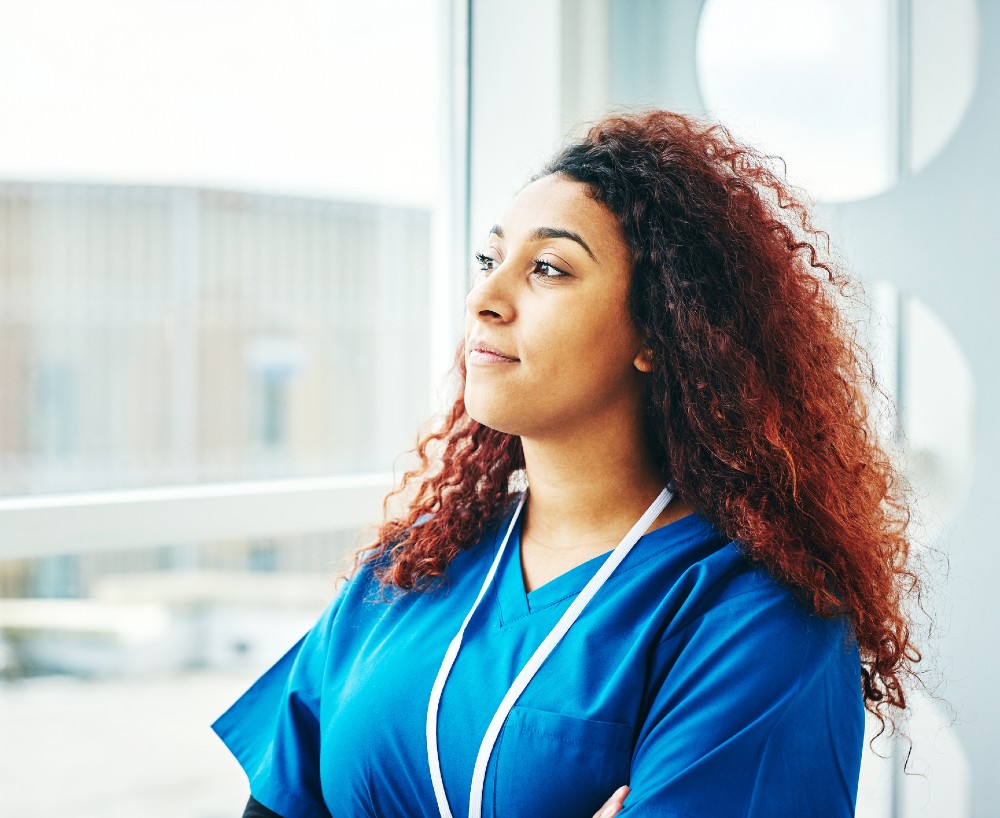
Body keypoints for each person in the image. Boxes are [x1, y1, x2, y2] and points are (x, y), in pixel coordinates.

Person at [212, 109, 920, 818]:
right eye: (490, 261)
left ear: (661, 329)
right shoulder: (413, 567)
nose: (483, 299)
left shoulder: (757, 616)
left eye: (548, 268)